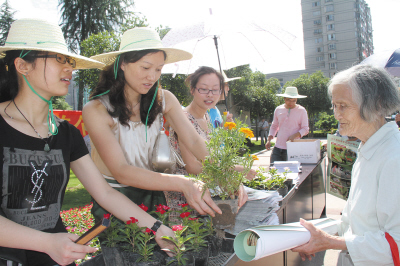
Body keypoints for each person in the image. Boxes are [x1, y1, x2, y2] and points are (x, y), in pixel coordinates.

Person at [0, 19, 175, 266]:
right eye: (58, 60)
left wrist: (157, 228)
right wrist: (45, 243)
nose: (68, 69)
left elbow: (104, 192)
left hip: (57, 256)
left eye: (69, 62)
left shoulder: (66, 133)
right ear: (22, 65)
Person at [82, 28, 222, 227]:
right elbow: (121, 171)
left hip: (155, 194)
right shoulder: (96, 109)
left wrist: (224, 173)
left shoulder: (164, 99)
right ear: (122, 64)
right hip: (115, 200)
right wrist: (184, 183)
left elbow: (193, 141)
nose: (152, 77)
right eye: (145, 67)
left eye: (158, 69)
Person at [292, 65, 400, 265]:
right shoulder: (368, 147)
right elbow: (354, 222)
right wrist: (315, 236)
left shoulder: (394, 157)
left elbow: (396, 244)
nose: (336, 114)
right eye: (334, 105)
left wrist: (330, 242)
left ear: (376, 105)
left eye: (343, 106)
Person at [166, 67, 250, 217]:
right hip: (187, 201)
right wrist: (235, 172)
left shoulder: (209, 118)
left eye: (215, 90)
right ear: (192, 90)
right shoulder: (183, 119)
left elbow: (210, 157)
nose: (210, 95)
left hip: (210, 193)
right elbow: (193, 167)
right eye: (203, 89)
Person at [266, 86, 309, 164]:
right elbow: (274, 126)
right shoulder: (278, 109)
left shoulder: (302, 111)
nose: (291, 103)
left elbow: (305, 129)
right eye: (289, 100)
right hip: (278, 148)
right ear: (284, 99)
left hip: (293, 148)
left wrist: (295, 135)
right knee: (273, 171)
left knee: (290, 173)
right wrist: (269, 139)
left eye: (294, 100)